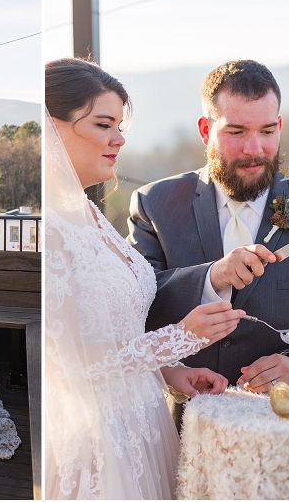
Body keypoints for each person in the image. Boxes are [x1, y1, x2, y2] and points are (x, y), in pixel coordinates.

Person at [45, 57, 244, 499]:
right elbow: (70, 364)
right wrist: (179, 337)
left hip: (143, 425)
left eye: (119, 125)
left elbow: (111, 328)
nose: (119, 139)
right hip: (95, 438)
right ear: (52, 128)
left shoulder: (88, 213)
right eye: (103, 124)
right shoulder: (52, 229)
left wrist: (172, 371)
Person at [127, 59, 289, 392]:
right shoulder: (153, 204)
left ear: (280, 126)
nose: (254, 149)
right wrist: (210, 277)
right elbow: (135, 310)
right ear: (206, 130)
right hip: (182, 423)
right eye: (236, 132)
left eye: (267, 131)